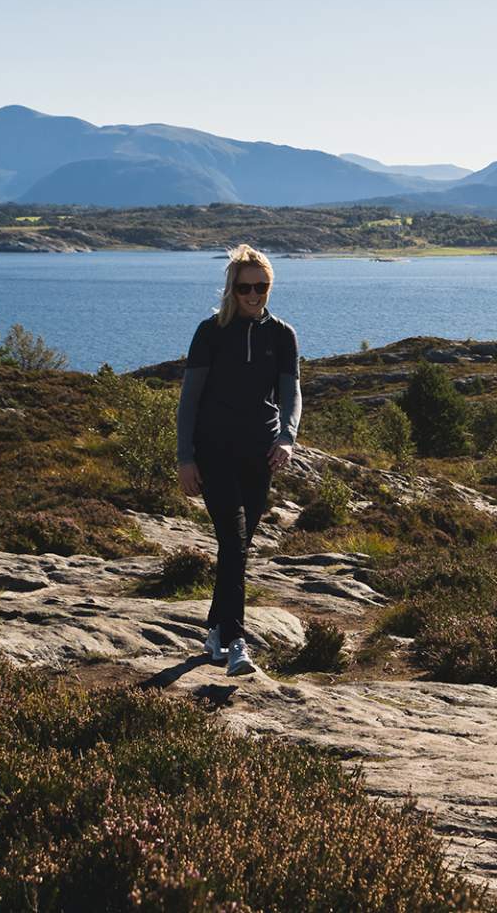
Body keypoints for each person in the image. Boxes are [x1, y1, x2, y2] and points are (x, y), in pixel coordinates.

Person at [175, 245, 300, 674]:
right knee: (233, 542)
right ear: (231, 288)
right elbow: (188, 401)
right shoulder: (210, 332)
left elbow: (291, 393)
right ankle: (236, 643)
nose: (253, 294)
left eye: (261, 286)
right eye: (245, 287)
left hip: (260, 455)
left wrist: (287, 437)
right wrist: (185, 458)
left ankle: (214, 630)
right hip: (214, 454)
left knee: (239, 549)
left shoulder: (282, 334)